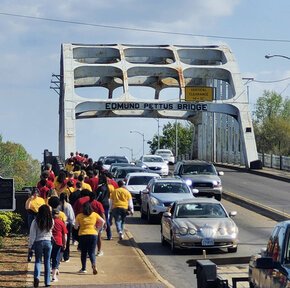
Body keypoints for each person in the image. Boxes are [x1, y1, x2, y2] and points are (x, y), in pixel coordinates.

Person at [74, 201, 105, 274]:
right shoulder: (94, 214)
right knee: (92, 252)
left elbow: (75, 227)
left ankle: (84, 268)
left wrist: (78, 226)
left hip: (83, 234)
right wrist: (97, 229)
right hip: (93, 234)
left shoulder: (79, 215)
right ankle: (93, 264)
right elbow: (103, 221)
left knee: (83, 252)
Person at [28, 205, 53, 288]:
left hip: (38, 242)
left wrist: (30, 246)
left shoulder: (35, 221)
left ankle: (36, 277)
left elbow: (32, 235)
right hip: (48, 242)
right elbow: (51, 232)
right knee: (47, 262)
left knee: (38, 261)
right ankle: (47, 281)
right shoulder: (51, 221)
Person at [25, 188, 46, 262]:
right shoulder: (29, 200)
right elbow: (27, 207)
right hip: (32, 215)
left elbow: (44, 207)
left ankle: (40, 251)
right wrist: (30, 200)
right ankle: (30, 252)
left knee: (40, 233)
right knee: (32, 233)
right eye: (34, 192)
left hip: (39, 215)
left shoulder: (41, 200)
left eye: (37, 192)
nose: (35, 194)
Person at [51, 208, 68, 282]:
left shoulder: (49, 222)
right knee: (56, 258)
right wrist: (65, 244)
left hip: (49, 241)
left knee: (49, 257)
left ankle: (51, 270)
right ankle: (54, 275)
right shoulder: (61, 222)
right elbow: (64, 235)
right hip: (58, 241)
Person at [59, 192, 75, 262]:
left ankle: (59, 256)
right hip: (67, 225)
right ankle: (66, 256)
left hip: (59, 224)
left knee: (59, 240)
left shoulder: (58, 206)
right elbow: (71, 217)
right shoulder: (68, 206)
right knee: (67, 241)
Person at [96, 173, 112, 241]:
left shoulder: (101, 188)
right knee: (106, 218)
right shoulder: (107, 187)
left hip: (101, 204)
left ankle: (99, 232)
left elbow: (99, 197)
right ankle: (109, 234)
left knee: (101, 218)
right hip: (106, 204)